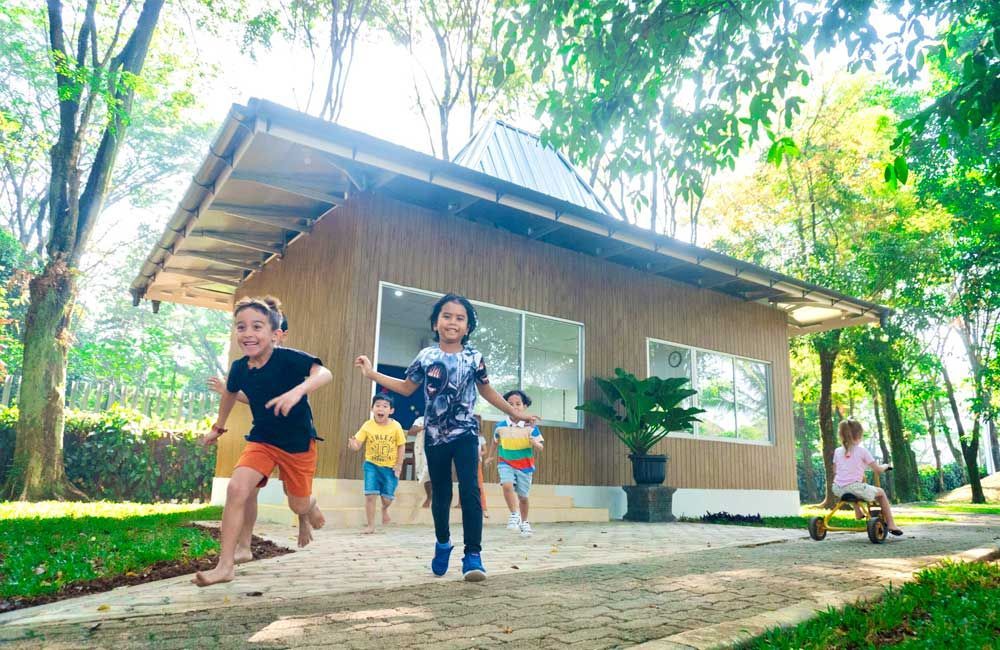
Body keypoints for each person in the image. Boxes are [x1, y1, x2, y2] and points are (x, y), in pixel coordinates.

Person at [354, 293, 537, 582]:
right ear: (436, 322)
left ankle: (473, 554)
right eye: (447, 316)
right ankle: (443, 543)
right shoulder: (426, 356)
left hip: (465, 434)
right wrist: (371, 374)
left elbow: (488, 392)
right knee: (440, 493)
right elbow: (405, 387)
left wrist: (518, 415)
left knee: (470, 492)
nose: (453, 322)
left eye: (460, 318)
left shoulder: (474, 357)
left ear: (467, 326)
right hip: (434, 436)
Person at [194, 296, 332, 587]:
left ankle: (309, 506)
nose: (248, 334)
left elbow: (324, 373)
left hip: (297, 442)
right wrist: (217, 428)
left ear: (274, 332)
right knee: (236, 488)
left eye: (257, 327)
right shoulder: (240, 368)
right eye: (241, 327)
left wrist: (297, 392)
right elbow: (230, 397)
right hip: (263, 439)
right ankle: (225, 565)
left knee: (297, 504)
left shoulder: (289, 358)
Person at [205, 314, 290, 563]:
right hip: (263, 437)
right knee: (245, 489)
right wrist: (228, 392)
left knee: (297, 498)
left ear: (279, 334)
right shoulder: (250, 365)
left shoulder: (289, 363)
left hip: (292, 439)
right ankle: (243, 547)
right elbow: (256, 399)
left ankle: (307, 511)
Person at [348, 394, 406, 533]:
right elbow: (358, 444)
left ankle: (384, 508)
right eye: (378, 405)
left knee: (387, 499)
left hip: (390, 468)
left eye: (385, 406)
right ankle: (370, 526)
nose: (381, 409)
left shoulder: (396, 426)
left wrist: (398, 465)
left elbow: (401, 446)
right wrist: (353, 445)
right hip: (371, 465)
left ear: (391, 410)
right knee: (370, 495)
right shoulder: (367, 425)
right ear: (372, 408)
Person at [832, 419, 902, 536]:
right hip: (854, 487)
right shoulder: (862, 451)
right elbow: (878, 470)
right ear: (859, 435)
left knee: (851, 489)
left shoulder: (837, 451)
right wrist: (886, 466)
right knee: (881, 493)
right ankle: (891, 523)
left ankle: (858, 511)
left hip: (837, 488)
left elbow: (835, 470)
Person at [491, 390, 544, 537]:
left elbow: (541, 446)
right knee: (506, 485)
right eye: (509, 404)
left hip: (525, 467)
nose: (514, 407)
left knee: (523, 497)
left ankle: (525, 522)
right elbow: (495, 442)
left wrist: (534, 443)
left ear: (525, 406)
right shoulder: (500, 426)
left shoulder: (530, 426)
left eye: (518, 404)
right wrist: (490, 457)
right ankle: (514, 514)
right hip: (505, 462)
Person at [410, 416, 432, 508]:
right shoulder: (420, 420)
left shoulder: (443, 419)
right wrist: (423, 427)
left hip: (439, 448)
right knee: (426, 473)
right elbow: (411, 431)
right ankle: (429, 497)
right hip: (423, 450)